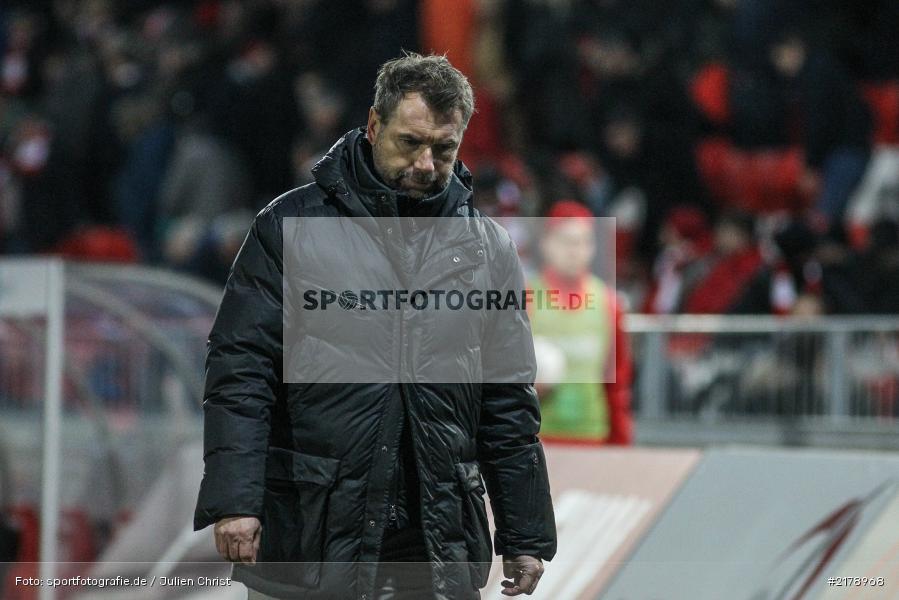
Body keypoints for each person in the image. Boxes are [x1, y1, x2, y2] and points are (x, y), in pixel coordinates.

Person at [192, 52, 557, 600]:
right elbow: (241, 374)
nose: (427, 165)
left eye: (443, 148)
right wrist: (236, 501)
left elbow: (507, 401)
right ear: (373, 125)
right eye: (410, 143)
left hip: (437, 543)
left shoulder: (489, 249)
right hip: (313, 536)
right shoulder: (287, 228)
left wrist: (525, 533)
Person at [527, 200, 633, 445]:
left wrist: (621, 443)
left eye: (584, 241)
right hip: (537, 440)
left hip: (592, 438)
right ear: (547, 244)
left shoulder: (608, 304)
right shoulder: (525, 300)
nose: (575, 250)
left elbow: (618, 381)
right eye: (566, 241)